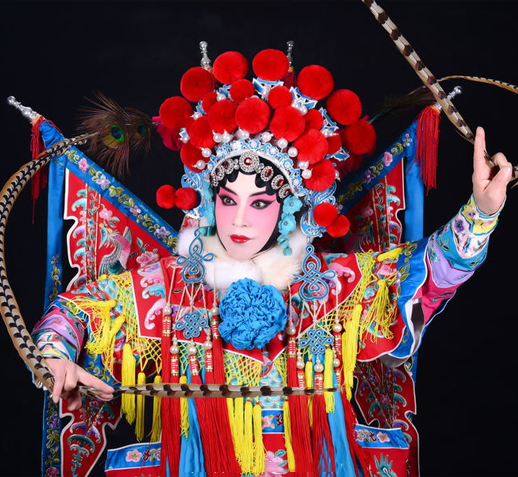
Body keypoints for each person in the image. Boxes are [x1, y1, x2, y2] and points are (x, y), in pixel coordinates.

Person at [31, 47, 512, 477]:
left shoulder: (332, 287)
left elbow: (429, 272)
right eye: (228, 199)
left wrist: (481, 212)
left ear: (288, 209)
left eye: (260, 202)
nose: (239, 219)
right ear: (208, 199)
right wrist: (54, 353)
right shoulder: (164, 287)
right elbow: (75, 309)